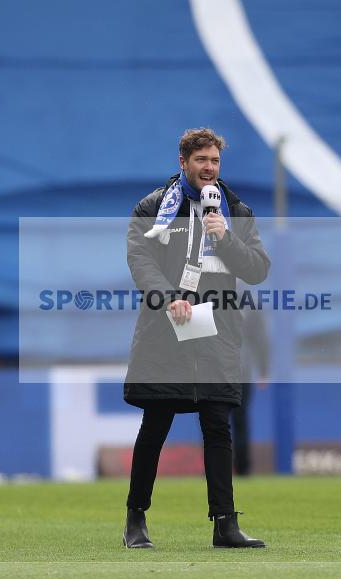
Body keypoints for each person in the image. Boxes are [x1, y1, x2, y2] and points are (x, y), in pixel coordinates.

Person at [122, 128, 270, 549]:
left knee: (218, 426)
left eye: (215, 160)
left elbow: (258, 269)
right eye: (201, 160)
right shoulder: (154, 207)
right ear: (183, 162)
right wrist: (169, 297)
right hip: (166, 330)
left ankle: (225, 524)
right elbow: (140, 259)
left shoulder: (235, 211)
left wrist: (224, 236)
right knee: (155, 425)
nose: (209, 168)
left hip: (217, 333)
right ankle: (136, 518)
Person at [232, 303, 269, 476]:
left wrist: (263, 370)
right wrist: (263, 370)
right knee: (238, 420)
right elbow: (260, 338)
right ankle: (242, 468)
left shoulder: (209, 296)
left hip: (234, 371)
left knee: (215, 420)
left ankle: (219, 466)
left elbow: (260, 338)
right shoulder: (250, 303)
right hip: (237, 370)